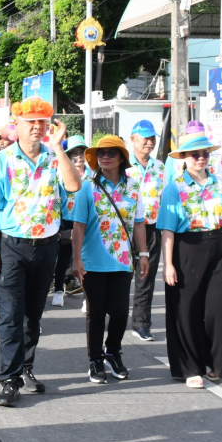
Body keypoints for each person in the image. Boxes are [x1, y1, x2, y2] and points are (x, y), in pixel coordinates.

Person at [0, 98, 80, 408]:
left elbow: (73, 185)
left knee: (33, 315)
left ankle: (26, 368)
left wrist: (59, 147)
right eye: (31, 122)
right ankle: (9, 379)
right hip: (13, 246)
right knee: (11, 314)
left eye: (42, 122)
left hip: (47, 247)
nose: (37, 127)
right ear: (17, 125)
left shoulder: (54, 158)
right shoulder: (2, 160)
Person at [157, 132, 222, 389]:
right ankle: (190, 367)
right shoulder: (175, 188)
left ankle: (214, 363)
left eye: (205, 153)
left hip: (217, 250)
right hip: (186, 250)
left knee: (217, 310)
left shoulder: (221, 185)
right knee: (187, 311)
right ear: (184, 158)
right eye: (195, 154)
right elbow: (167, 230)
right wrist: (168, 264)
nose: (201, 158)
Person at [70, 135, 148, 384]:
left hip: (123, 261)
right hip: (92, 262)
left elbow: (138, 223)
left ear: (121, 158)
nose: (105, 157)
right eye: (101, 153)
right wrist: (76, 259)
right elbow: (78, 226)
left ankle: (113, 352)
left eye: (111, 153)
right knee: (96, 313)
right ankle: (95, 359)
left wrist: (143, 254)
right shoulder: (87, 187)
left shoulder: (133, 186)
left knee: (119, 312)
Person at [127, 120, 167, 341]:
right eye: (145, 138)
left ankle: (141, 324)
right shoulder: (123, 165)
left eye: (152, 138)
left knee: (145, 277)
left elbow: (164, 198)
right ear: (133, 139)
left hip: (151, 229)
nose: (149, 142)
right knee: (121, 277)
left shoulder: (159, 167)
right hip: (124, 229)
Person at [52, 135, 88, 307]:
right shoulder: (61, 174)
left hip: (87, 221)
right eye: (74, 153)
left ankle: (88, 298)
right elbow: (55, 200)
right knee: (64, 258)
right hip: (66, 220)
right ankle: (59, 290)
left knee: (87, 259)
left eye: (81, 153)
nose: (79, 157)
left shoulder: (92, 175)